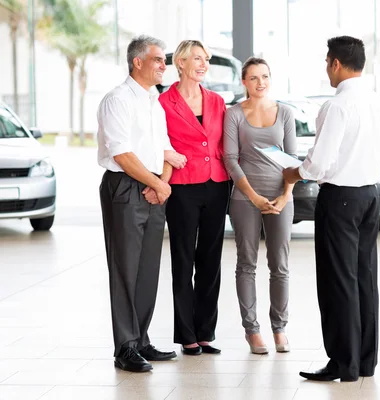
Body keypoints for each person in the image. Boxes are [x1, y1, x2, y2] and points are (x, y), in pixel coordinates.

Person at [283, 36, 380, 382]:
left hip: (340, 199)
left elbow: (319, 165)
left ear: (336, 63)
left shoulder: (336, 105)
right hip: (370, 196)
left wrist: (293, 172)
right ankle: (364, 361)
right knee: (364, 279)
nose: (327, 69)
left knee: (338, 282)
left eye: (327, 62)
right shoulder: (374, 101)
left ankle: (344, 363)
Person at [97, 35, 179, 372]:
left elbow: (167, 150)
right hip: (126, 187)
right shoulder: (118, 100)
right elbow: (121, 152)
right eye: (159, 60)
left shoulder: (154, 102)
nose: (164, 66)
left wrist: (162, 184)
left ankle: (141, 339)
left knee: (147, 269)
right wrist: (156, 182)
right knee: (125, 269)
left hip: (153, 187)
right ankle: (125, 347)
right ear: (138, 62)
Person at [158, 40, 230, 356]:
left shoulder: (217, 101)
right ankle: (186, 334)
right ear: (181, 62)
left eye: (206, 59)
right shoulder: (163, 102)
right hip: (183, 186)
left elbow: (225, 142)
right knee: (183, 259)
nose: (203, 64)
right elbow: (150, 139)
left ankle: (205, 332)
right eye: (197, 59)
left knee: (210, 260)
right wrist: (166, 155)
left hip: (217, 184)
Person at [223, 57, 297, 354]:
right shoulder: (234, 114)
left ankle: (279, 328)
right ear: (244, 81)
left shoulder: (285, 113)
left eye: (265, 76)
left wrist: (286, 195)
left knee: (280, 266)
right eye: (253, 78)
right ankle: (252, 330)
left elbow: (292, 160)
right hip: (244, 198)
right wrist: (252, 196)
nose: (260, 82)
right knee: (247, 264)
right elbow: (230, 159)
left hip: (280, 196)